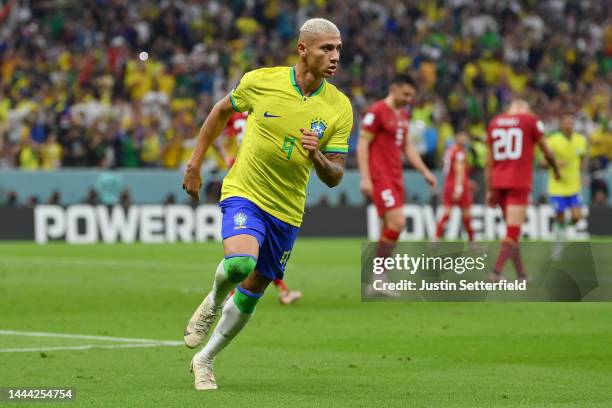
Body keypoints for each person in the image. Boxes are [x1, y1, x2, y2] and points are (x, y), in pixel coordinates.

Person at [181, 18, 352, 390]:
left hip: (288, 210)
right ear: (303, 50)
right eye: (327, 48)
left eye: (338, 48)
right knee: (241, 262)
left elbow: (336, 175)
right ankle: (212, 300)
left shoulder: (339, 107)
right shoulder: (261, 81)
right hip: (246, 190)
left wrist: (318, 156)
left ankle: (205, 359)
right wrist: (195, 162)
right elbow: (220, 111)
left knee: (255, 289)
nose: (335, 56)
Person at [356, 74, 437, 293]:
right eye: (406, 94)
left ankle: (376, 278)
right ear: (394, 88)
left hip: (396, 177)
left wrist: (425, 172)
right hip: (380, 177)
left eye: (412, 95)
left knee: (388, 227)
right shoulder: (377, 111)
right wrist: (365, 177)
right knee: (398, 222)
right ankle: (379, 276)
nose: (409, 98)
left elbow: (408, 147)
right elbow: (363, 144)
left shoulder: (402, 115)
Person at [221, 111, 303, 305]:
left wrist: (226, 156)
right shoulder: (265, 107)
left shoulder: (240, 112)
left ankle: (279, 290)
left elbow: (221, 135)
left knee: (256, 244)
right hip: (252, 173)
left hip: (249, 171)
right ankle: (232, 293)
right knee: (255, 244)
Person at [486, 99, 560, 282]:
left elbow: (488, 160)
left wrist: (489, 189)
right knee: (513, 231)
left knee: (512, 232)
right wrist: (556, 169)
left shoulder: (494, 122)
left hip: (497, 182)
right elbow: (547, 151)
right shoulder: (529, 120)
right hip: (518, 181)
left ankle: (521, 274)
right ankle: (496, 272)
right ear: (525, 108)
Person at [545, 113, 587, 258]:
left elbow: (582, 159)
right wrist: (555, 163)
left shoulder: (580, 140)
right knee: (560, 216)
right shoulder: (552, 140)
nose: (569, 125)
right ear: (561, 124)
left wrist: (582, 175)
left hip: (574, 186)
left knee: (577, 216)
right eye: (567, 122)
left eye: (571, 122)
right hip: (557, 186)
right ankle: (558, 244)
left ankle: (562, 231)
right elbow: (543, 163)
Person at [435, 131, 475, 241]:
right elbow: (459, 171)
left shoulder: (450, 151)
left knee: (446, 213)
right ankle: (472, 242)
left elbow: (451, 170)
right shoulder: (459, 152)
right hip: (458, 186)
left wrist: (467, 181)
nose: (466, 140)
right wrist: (459, 188)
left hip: (448, 184)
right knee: (467, 216)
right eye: (464, 138)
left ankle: (435, 239)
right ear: (458, 138)